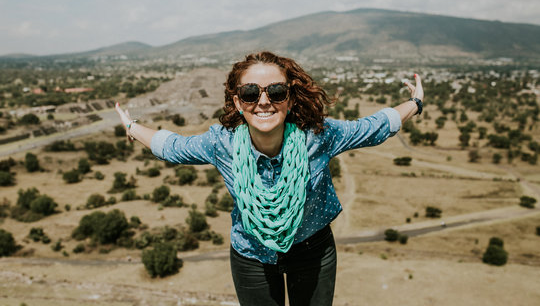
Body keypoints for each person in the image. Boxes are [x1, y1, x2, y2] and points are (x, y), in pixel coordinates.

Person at [115, 51, 424, 306]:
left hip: (312, 250)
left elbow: (374, 127)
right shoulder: (221, 143)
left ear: (289, 99)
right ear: (237, 102)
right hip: (251, 254)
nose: (263, 101)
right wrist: (132, 128)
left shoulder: (319, 135)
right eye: (250, 93)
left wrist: (416, 103)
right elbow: (173, 148)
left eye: (276, 92)